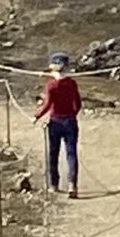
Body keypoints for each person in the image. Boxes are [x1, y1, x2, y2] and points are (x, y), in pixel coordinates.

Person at [34, 53, 83, 197]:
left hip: (55, 122)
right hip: (70, 121)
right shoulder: (72, 83)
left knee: (53, 154)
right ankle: (72, 185)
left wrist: (36, 116)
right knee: (71, 154)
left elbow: (48, 104)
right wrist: (73, 114)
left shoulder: (51, 85)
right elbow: (78, 103)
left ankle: (54, 185)